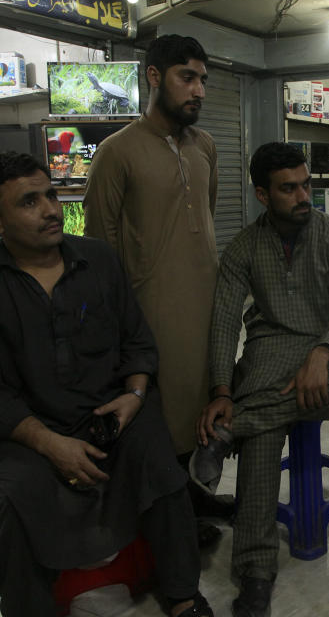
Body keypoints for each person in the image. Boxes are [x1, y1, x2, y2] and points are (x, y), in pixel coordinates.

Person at [0, 152, 214, 617]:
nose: (51, 209)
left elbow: (137, 341)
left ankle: (183, 596)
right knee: (17, 496)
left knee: (159, 462)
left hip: (113, 413)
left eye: (50, 194)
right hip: (31, 431)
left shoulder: (99, 261)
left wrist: (133, 396)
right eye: (29, 202)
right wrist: (52, 445)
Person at [195, 142, 329, 616]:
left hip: (328, 349)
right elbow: (226, 322)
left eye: (306, 184)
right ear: (261, 194)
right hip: (269, 350)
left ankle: (235, 429)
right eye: (288, 189)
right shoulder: (243, 248)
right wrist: (221, 389)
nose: (302, 196)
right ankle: (256, 569)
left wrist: (321, 350)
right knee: (265, 422)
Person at [84, 35, 230, 535]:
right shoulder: (116, 152)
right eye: (186, 77)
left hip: (208, 308)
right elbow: (98, 249)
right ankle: (169, 521)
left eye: (203, 80)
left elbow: (204, 218)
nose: (199, 91)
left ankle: (196, 499)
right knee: (161, 420)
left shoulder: (205, 147)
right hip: (150, 314)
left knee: (203, 412)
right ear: (153, 77)